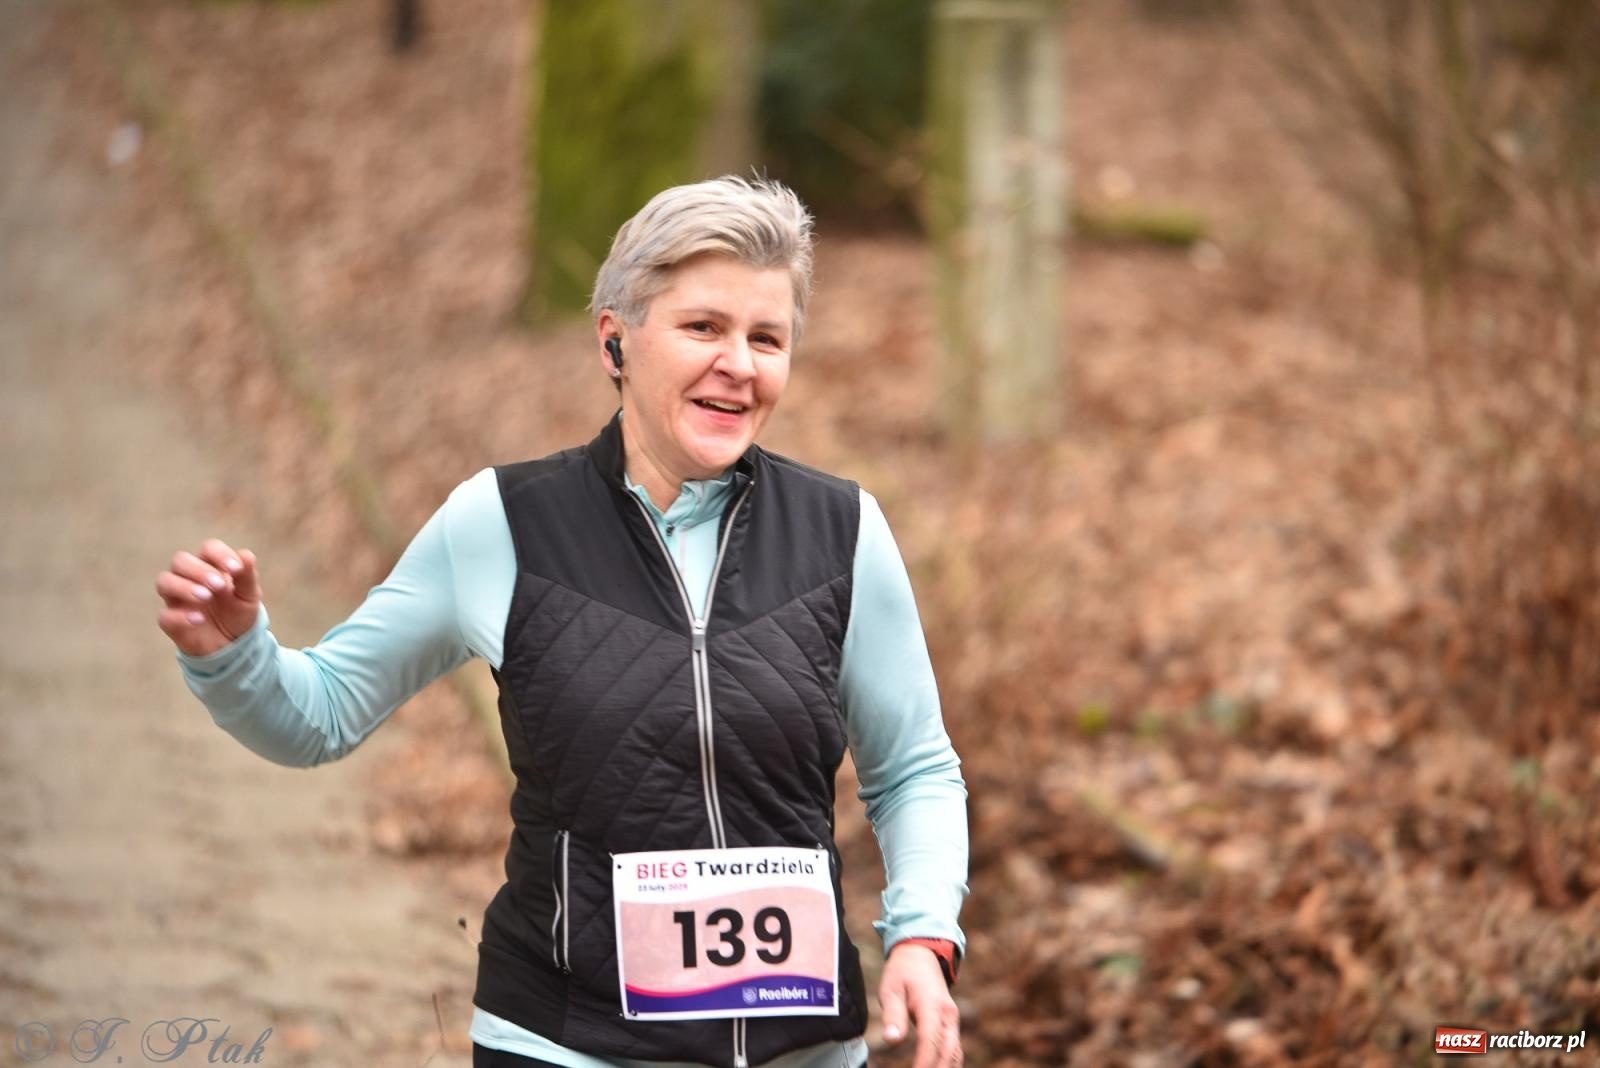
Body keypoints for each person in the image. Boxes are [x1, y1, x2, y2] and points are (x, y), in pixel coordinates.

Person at [155, 176, 969, 1068]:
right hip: (564, 1043)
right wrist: (235, 657)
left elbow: (914, 768)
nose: (739, 363)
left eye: (766, 338)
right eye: (704, 327)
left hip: (803, 1050)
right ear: (615, 340)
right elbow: (320, 714)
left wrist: (922, 936)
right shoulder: (504, 523)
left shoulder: (842, 531)